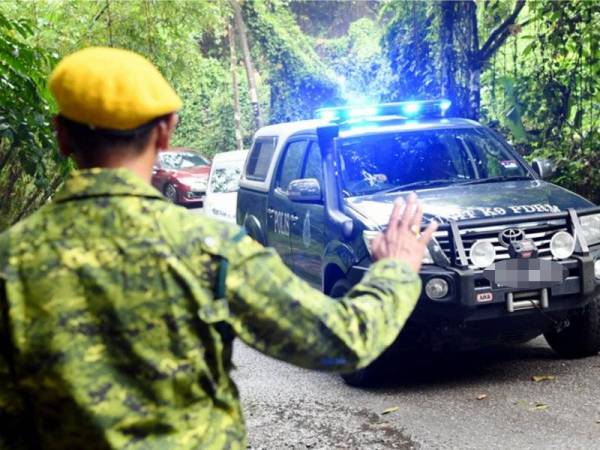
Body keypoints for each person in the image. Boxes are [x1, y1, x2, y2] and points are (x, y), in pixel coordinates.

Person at [0, 47, 437, 449]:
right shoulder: (210, 248)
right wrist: (396, 268)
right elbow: (344, 341)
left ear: (61, 136)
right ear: (165, 132)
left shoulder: (11, 260)